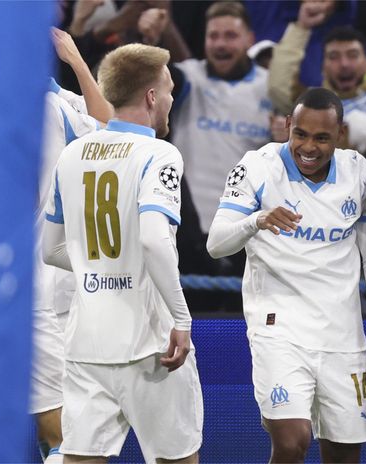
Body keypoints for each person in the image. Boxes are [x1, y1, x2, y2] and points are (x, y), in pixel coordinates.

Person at [205, 88, 366, 463]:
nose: (309, 147)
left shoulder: (358, 171)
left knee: (344, 456)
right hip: (279, 329)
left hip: (342, 336)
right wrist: (256, 220)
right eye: (301, 134)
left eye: (322, 138)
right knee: (292, 441)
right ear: (287, 126)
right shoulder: (257, 166)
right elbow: (216, 244)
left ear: (340, 134)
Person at [41, 43, 203, 463]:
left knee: (79, 458)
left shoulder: (72, 154)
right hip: (151, 345)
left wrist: (97, 268)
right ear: (151, 96)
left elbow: (51, 249)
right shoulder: (160, 154)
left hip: (86, 344)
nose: (170, 100)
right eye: (168, 90)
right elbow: (154, 240)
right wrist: (182, 319)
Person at [31, 28, 109, 464]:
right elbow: (113, 133)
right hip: (36, 294)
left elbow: (111, 124)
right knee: (63, 431)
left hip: (70, 289)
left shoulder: (59, 100)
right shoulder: (36, 108)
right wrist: (77, 61)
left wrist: (77, 65)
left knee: (74, 432)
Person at [169, 1, 273, 238]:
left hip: (248, 230)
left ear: (250, 39)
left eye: (230, 36)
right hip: (187, 228)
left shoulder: (271, 88)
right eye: (213, 36)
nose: (220, 44)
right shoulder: (189, 76)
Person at [268, 2, 366, 159]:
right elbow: (279, 87)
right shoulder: (308, 102)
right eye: (334, 56)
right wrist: (302, 27)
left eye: (353, 55)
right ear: (323, 66)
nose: (344, 64)